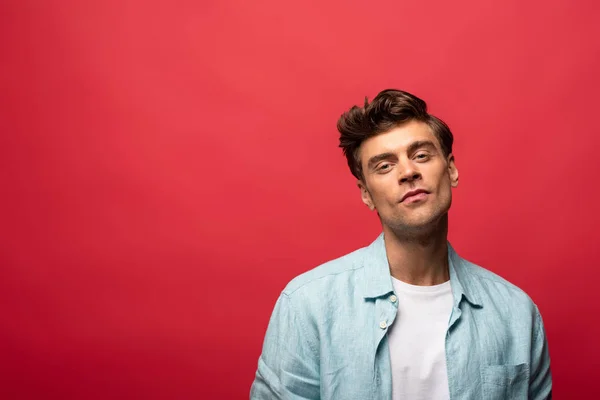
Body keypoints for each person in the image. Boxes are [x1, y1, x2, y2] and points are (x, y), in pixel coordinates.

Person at [250, 89, 552, 399]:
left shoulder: (516, 313)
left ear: (451, 170)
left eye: (421, 155)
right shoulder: (307, 305)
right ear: (366, 194)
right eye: (384, 166)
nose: (408, 172)